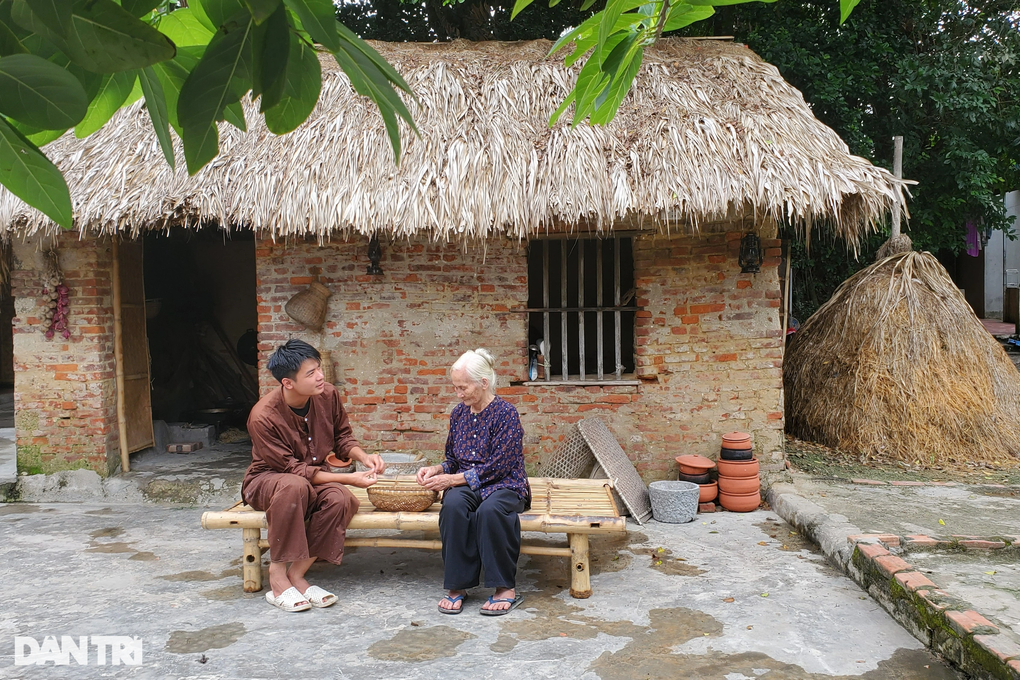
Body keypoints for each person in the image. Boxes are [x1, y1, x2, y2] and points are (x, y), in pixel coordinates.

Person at [242, 339, 385, 612]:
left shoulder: (328, 395)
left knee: (341, 500)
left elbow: (342, 437)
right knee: (295, 486)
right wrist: (350, 479)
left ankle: (297, 575)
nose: (320, 376)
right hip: (268, 481)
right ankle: (277, 576)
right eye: (310, 373)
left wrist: (364, 457)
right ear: (288, 383)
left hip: (311, 480)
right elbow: (293, 471)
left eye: (318, 368)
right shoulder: (263, 417)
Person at [416, 348, 531, 616]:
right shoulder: (458, 414)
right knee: (453, 506)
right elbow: (453, 459)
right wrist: (436, 469)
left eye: (463, 387)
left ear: (483, 382)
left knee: (490, 511)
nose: (458, 394)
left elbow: (500, 466)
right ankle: (458, 585)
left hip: (506, 485)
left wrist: (453, 479)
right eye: (455, 388)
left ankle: (504, 588)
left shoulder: (506, 414)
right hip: (468, 485)